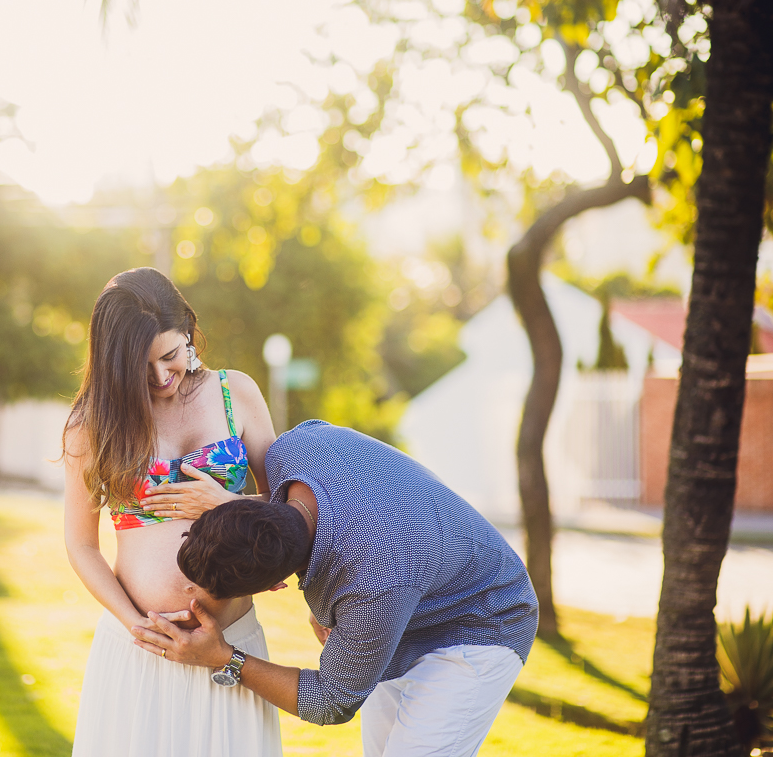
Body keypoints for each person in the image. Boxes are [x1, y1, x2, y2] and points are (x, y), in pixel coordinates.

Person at [133, 419, 539, 757]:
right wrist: (337, 603)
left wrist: (224, 657)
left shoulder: (375, 583)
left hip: (482, 621)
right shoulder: (294, 449)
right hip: (406, 596)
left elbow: (331, 702)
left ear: (277, 585)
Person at [62, 267, 283, 757]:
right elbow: (80, 543)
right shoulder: (93, 422)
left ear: (188, 330)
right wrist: (133, 624)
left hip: (229, 643)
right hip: (139, 649)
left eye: (170, 355)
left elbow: (287, 507)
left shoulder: (236, 393)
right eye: (142, 368)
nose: (161, 377)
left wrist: (226, 505)